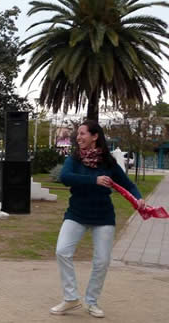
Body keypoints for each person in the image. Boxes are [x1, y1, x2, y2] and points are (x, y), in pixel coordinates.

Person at [50, 120, 145, 318]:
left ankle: (91, 301)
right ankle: (71, 298)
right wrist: (94, 180)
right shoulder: (74, 158)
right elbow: (66, 177)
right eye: (78, 134)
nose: (78, 137)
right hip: (76, 214)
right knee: (62, 251)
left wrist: (139, 198)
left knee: (101, 261)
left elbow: (127, 183)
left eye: (83, 133)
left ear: (95, 136)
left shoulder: (108, 162)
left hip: (103, 217)